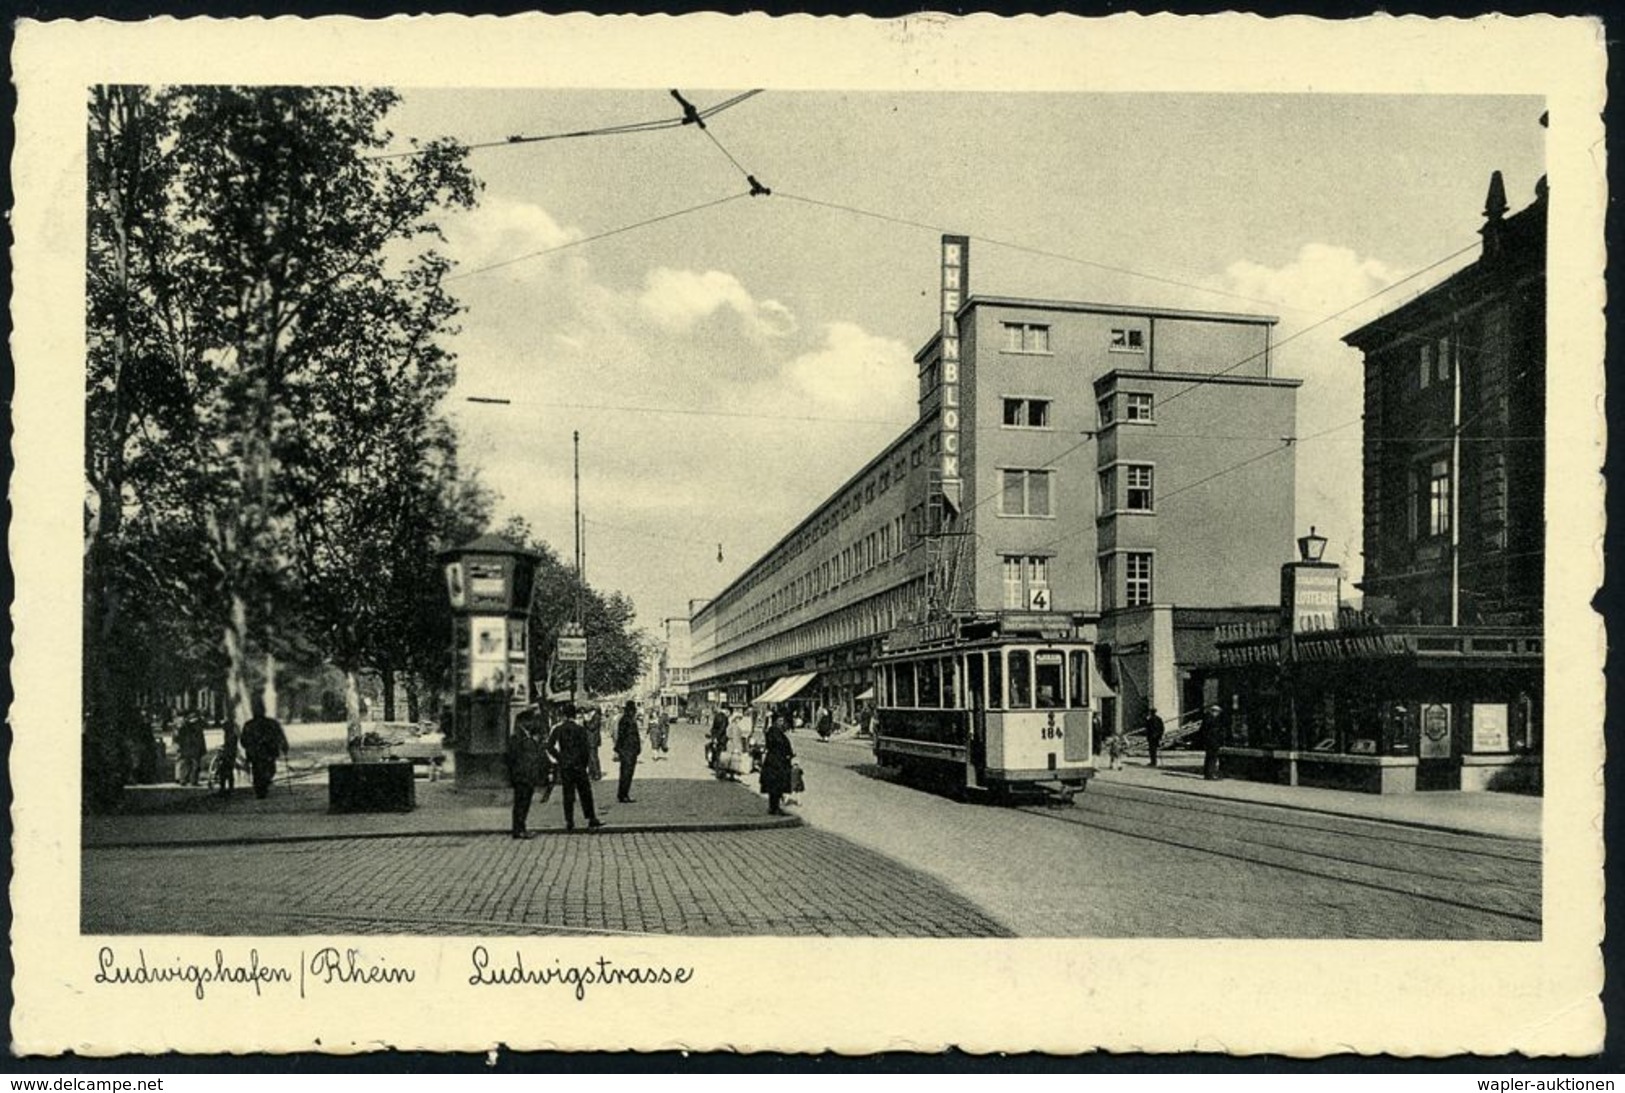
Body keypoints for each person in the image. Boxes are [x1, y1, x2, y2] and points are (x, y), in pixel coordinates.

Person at [548, 703, 604, 832]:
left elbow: (549, 746)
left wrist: (560, 758)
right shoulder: (580, 729)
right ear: (574, 715)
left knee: (568, 794)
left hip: (566, 766)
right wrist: (583, 764)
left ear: (564, 715)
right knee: (585, 793)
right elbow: (585, 750)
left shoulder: (558, 729)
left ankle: (569, 821)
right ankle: (591, 819)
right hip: (578, 765)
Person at [505, 705, 549, 839]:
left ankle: (520, 828)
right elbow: (513, 759)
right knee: (521, 804)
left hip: (525, 776)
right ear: (524, 723)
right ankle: (518, 830)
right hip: (522, 777)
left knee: (523, 804)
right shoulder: (518, 739)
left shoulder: (524, 738)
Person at [239, 697, 288, 800]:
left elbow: (243, 740)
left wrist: (249, 747)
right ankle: (262, 787)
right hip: (265, 753)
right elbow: (280, 736)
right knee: (266, 770)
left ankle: (261, 787)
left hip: (259, 753)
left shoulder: (251, 725)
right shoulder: (269, 723)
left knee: (260, 771)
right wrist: (284, 746)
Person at [760, 713, 795, 815]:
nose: (782, 723)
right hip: (775, 762)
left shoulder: (777, 731)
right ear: (775, 721)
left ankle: (775, 807)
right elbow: (778, 745)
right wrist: (787, 754)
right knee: (775, 785)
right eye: (779, 721)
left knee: (777, 786)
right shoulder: (773, 731)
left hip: (777, 761)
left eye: (782, 721)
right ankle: (774, 808)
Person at [614, 700, 642, 803]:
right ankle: (623, 795)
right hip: (627, 750)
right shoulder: (626, 720)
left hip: (630, 750)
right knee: (626, 773)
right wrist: (619, 749)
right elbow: (622, 736)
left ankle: (623, 794)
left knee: (627, 773)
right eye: (633, 710)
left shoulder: (629, 719)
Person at [175, 713, 208, 786]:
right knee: (194, 765)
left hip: (187, 749)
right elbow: (200, 740)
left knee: (187, 765)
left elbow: (179, 739)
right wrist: (203, 750)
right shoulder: (197, 728)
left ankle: (184, 780)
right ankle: (192, 781)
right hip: (194, 749)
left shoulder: (183, 727)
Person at [1201, 704, 1227, 781]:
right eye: (1218, 712)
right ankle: (1210, 774)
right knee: (1212, 758)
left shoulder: (1207, 718)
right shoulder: (1211, 719)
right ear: (1214, 711)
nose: (1218, 714)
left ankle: (1208, 773)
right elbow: (1211, 731)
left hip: (1210, 741)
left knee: (1210, 757)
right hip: (1212, 741)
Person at [214, 720, 240, 797]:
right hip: (229, 755)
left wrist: (223, 748)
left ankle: (225, 788)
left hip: (228, 756)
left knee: (225, 772)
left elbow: (229, 746)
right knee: (227, 772)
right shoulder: (230, 734)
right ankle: (228, 788)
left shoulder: (231, 735)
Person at [585, 706, 604, 781]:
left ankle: (597, 774)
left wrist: (586, 721)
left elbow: (592, 727)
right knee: (590, 758)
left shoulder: (596, 717)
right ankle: (591, 773)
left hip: (593, 740)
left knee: (593, 757)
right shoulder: (593, 717)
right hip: (590, 740)